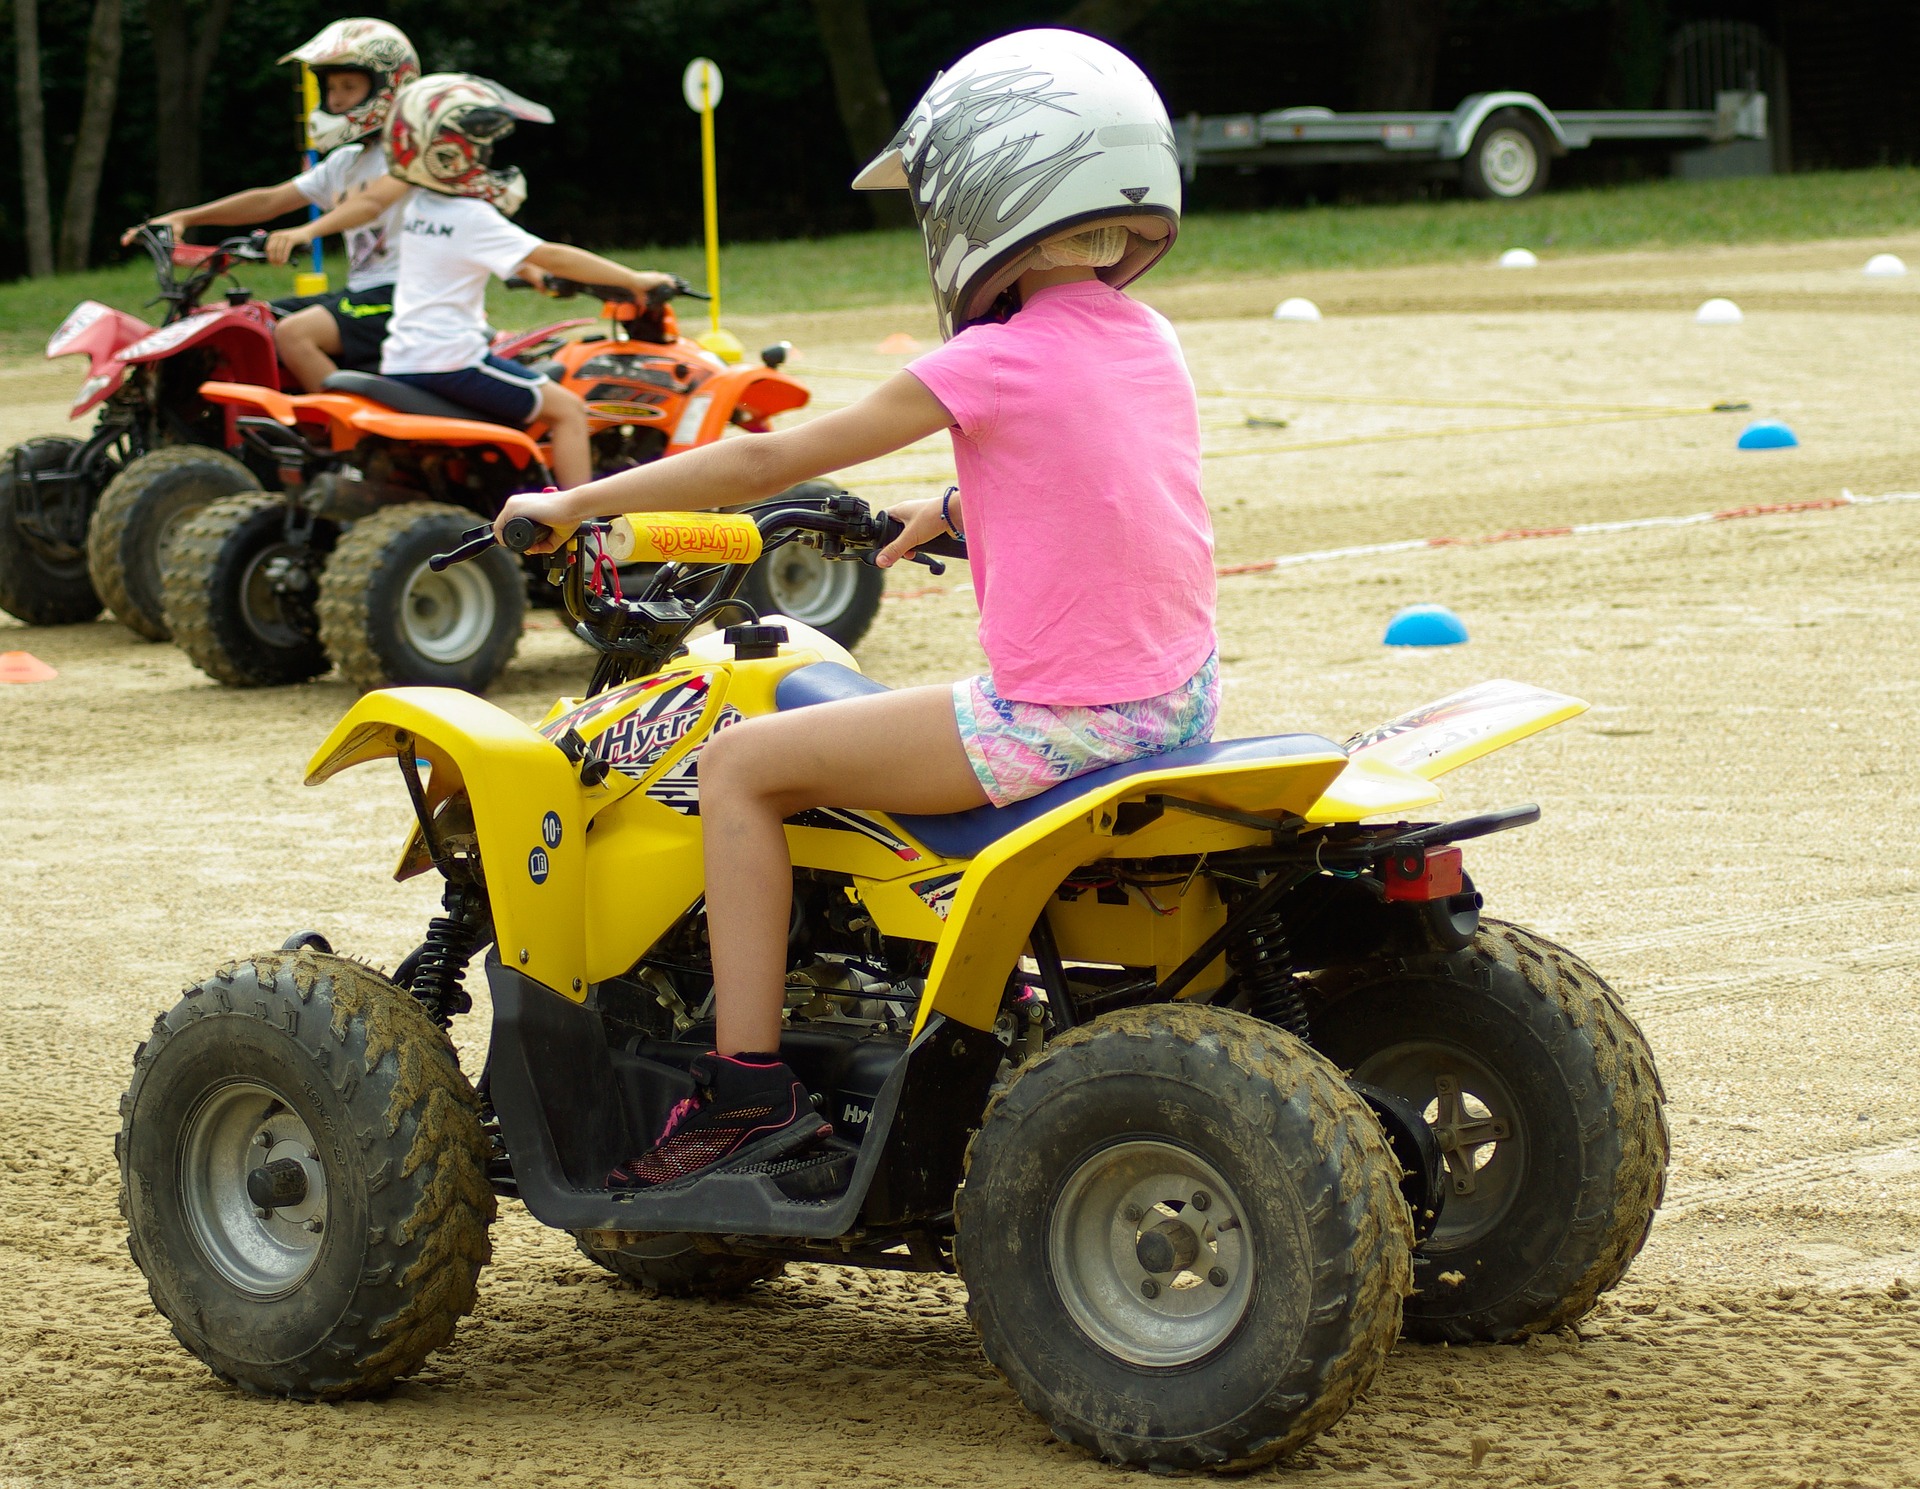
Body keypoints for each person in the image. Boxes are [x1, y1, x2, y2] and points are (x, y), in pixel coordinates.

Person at [490, 29, 1217, 1188]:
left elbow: (755, 464)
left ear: (988, 193)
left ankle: (747, 1093)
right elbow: (1105, 478)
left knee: (739, 766)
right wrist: (946, 505)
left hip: (1054, 723)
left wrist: (575, 502)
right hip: (1172, 703)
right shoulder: (1150, 337)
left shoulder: (992, 362)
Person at [266, 74, 673, 488]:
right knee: (567, 408)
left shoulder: (418, 207)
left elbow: (497, 257)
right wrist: (636, 279)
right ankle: (581, 525)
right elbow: (551, 254)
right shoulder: (470, 215)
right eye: (482, 147)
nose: (486, 157)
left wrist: (533, 275)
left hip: (404, 361)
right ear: (454, 151)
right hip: (455, 362)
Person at [123, 18, 419, 392]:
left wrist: (305, 232)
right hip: (362, 296)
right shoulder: (345, 162)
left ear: (390, 87)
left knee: (294, 335)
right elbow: (271, 200)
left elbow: (372, 203)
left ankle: (350, 440)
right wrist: (186, 217)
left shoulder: (410, 155)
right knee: (252, 322)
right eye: (330, 88)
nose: (336, 99)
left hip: (404, 296)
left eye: (349, 86)